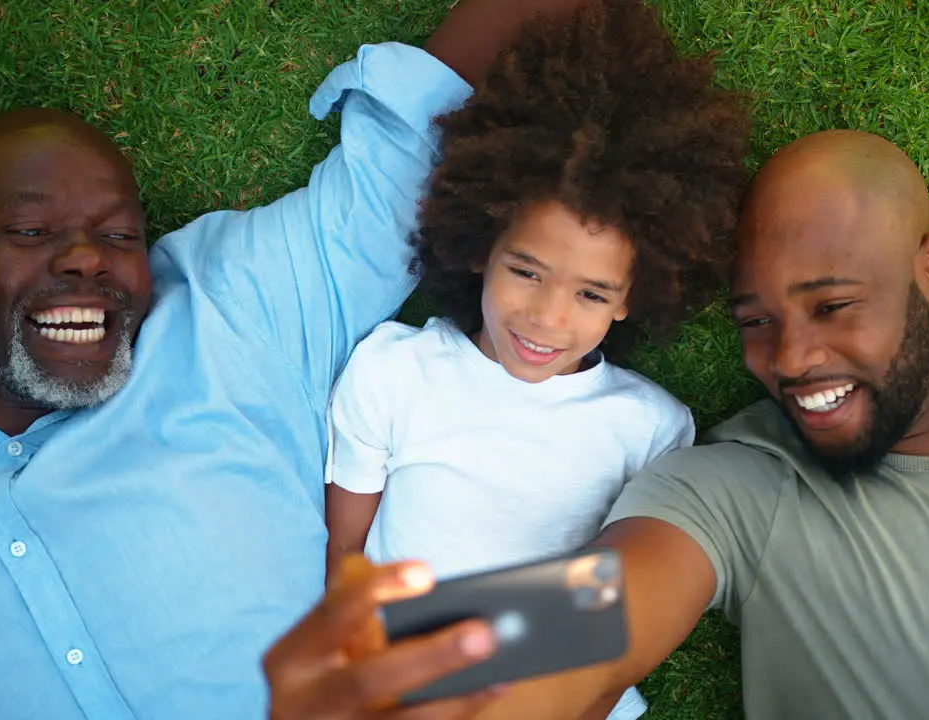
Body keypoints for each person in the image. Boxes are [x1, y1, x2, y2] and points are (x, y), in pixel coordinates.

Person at [263, 129, 929, 719]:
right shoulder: (735, 489)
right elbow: (593, 612)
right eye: (755, 322)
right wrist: (410, 664)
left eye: (833, 303)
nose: (791, 360)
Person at [0, 1, 587, 718]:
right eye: (30, 229)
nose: (87, 257)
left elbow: (401, 164)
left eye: (119, 235)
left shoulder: (228, 311)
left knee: (588, 608)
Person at [321, 3, 749, 718]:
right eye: (526, 271)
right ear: (482, 244)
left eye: (590, 292)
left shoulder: (650, 429)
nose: (547, 318)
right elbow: (345, 555)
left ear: (630, 299)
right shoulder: (395, 372)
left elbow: (627, 612)